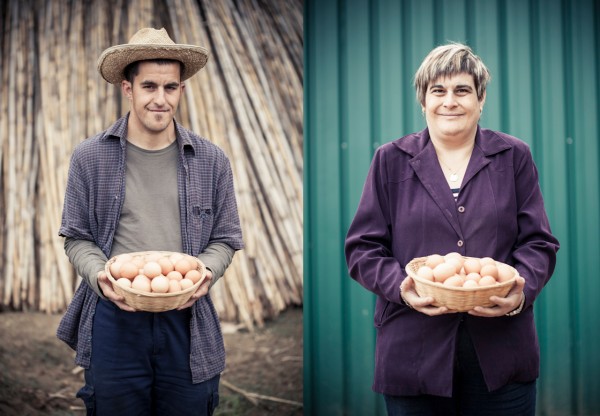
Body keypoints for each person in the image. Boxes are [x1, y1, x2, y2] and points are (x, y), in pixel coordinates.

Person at [344, 43, 559, 415]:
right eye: (438, 91)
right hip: (413, 351)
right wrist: (403, 288)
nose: (450, 101)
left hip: (501, 351)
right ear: (423, 100)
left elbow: (538, 242)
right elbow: (362, 247)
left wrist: (519, 292)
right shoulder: (391, 160)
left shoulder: (513, 156)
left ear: (481, 98)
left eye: (462, 90)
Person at [57, 27, 244, 415]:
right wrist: (102, 277)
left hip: (187, 319)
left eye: (171, 87)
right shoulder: (90, 157)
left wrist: (204, 272)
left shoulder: (211, 160)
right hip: (114, 317)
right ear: (128, 88)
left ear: (181, 90)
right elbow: (76, 237)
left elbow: (226, 237)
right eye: (149, 87)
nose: (161, 100)